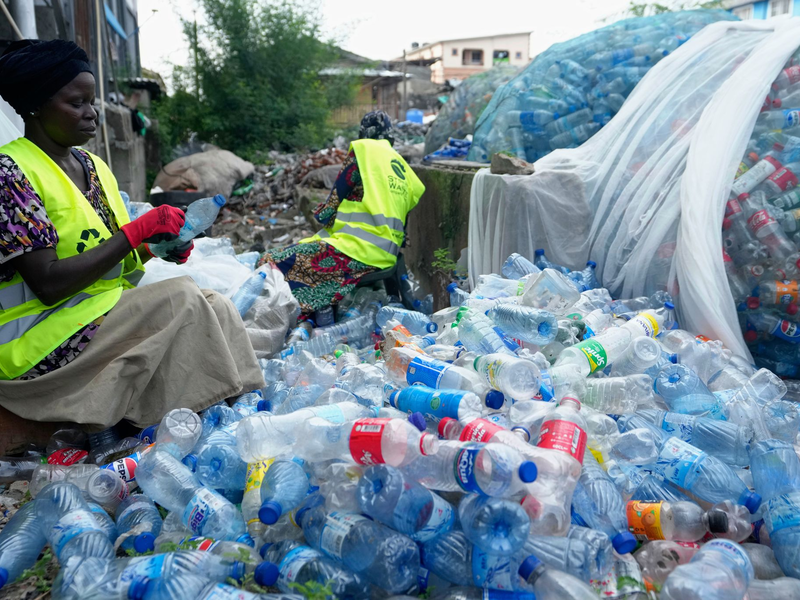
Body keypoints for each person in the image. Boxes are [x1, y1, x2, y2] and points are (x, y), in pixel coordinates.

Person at [0, 40, 264, 430]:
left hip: (95, 315)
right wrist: (137, 230)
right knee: (180, 299)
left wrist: (156, 248)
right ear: (36, 106)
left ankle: (244, 416)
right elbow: (48, 284)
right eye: (77, 103)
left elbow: (112, 257)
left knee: (216, 304)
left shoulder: (92, 166)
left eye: (92, 102)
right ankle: (189, 430)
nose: (92, 115)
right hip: (37, 338)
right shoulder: (11, 173)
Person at [257, 111, 425, 319]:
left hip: (357, 252)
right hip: (387, 255)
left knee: (270, 260)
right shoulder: (405, 171)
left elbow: (330, 207)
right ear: (390, 136)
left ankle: (296, 315)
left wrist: (321, 214)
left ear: (364, 133)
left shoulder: (365, 153)